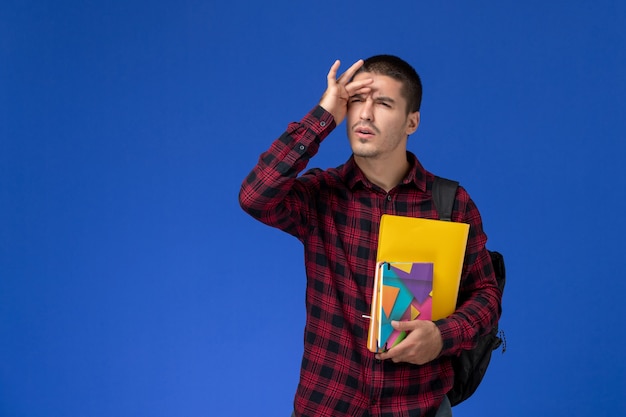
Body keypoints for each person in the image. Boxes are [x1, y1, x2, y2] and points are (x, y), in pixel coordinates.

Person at [239, 55, 502, 417]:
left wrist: (442, 336)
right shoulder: (321, 194)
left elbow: (486, 297)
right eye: (356, 101)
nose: (364, 114)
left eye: (382, 103)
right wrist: (324, 114)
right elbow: (255, 196)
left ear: (412, 122)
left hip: (417, 408)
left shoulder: (450, 202)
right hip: (328, 405)